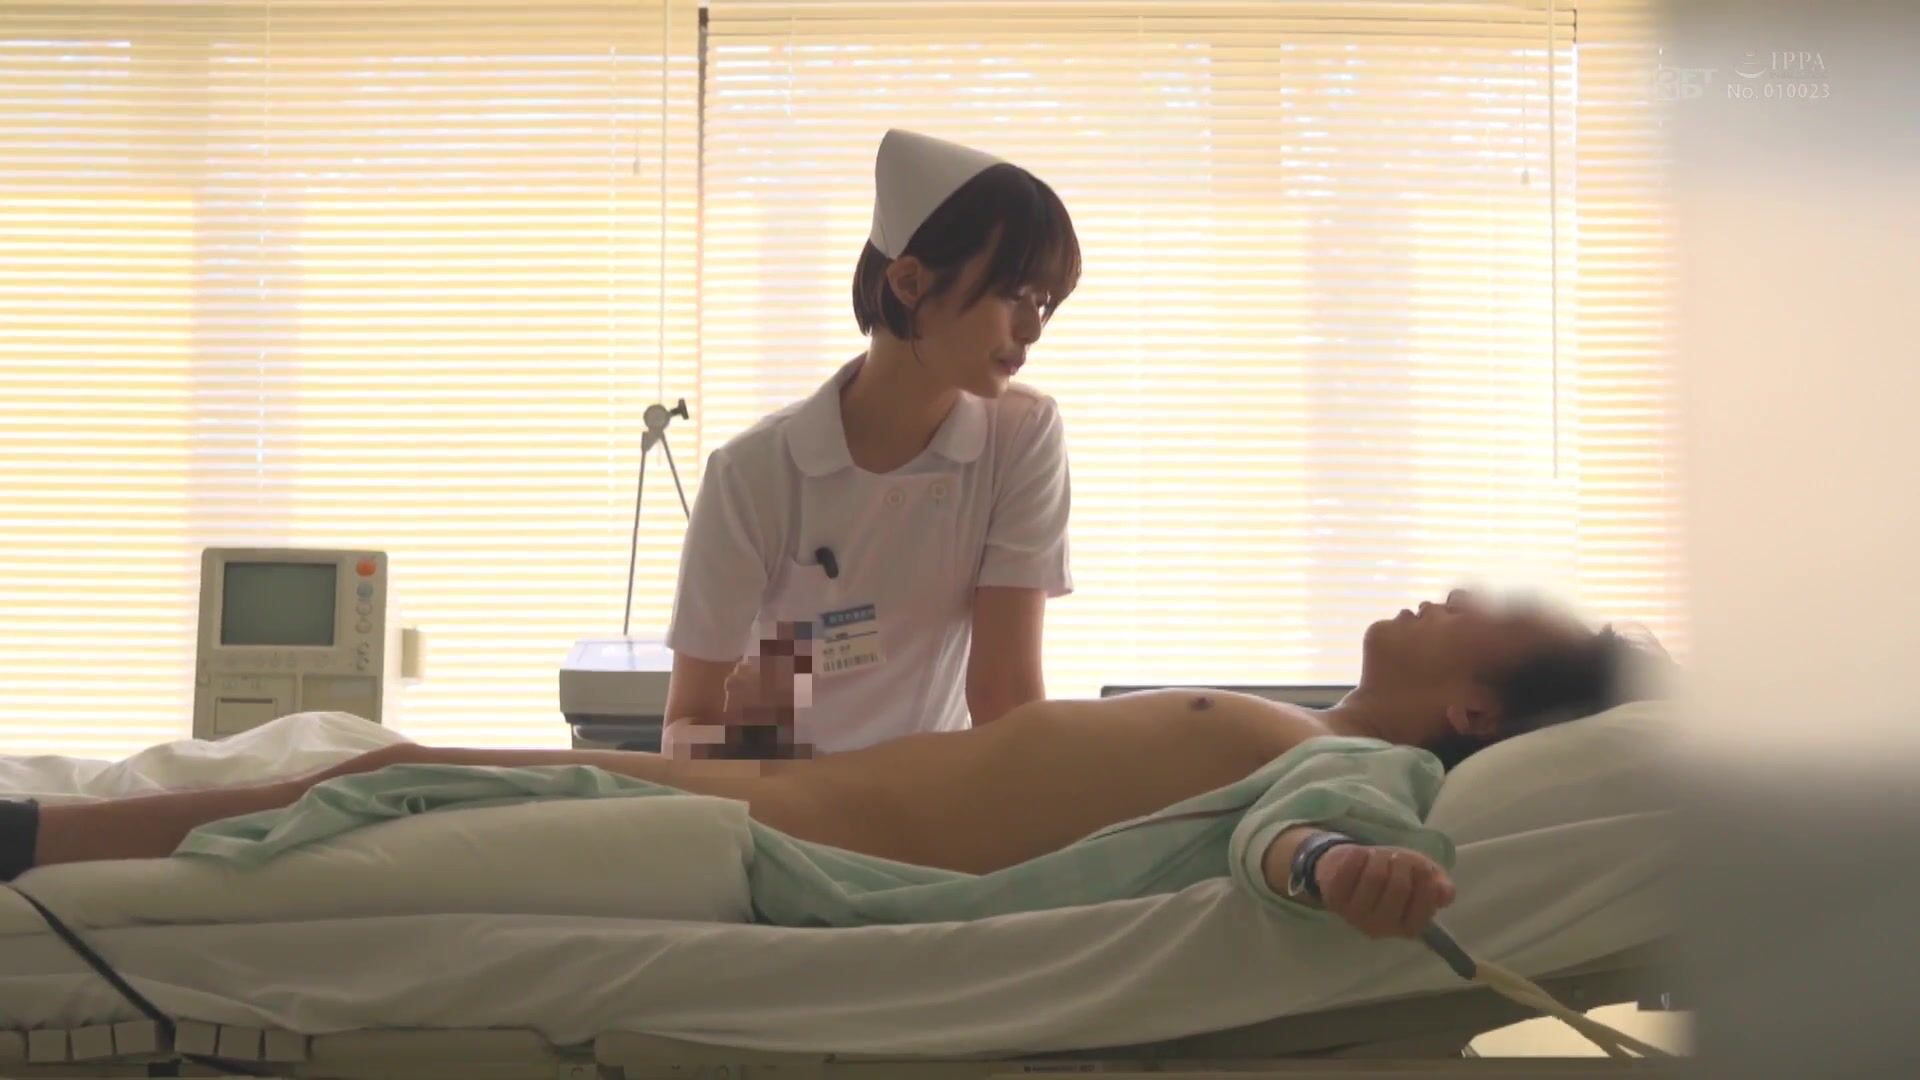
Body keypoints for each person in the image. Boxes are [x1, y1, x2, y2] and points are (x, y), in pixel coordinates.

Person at [2, 589, 1673, 941]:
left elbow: (1306, 842)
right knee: (377, 758)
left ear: (1476, 713)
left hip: (799, 847)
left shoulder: (1359, 778)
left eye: (1493, 613)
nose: (1453, 589)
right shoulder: (1300, 732)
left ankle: (35, 843)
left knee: (376, 777)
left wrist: (1340, 873)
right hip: (789, 800)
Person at [661, 129, 1083, 760]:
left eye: (1042, 302)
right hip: (788, 800)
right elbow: (687, 726)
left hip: (937, 801)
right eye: (1011, 295)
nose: (1031, 329)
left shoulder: (1021, 436)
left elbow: (1005, 698)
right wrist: (757, 740)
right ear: (910, 283)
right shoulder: (753, 475)